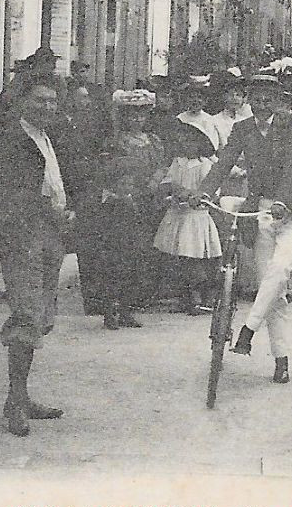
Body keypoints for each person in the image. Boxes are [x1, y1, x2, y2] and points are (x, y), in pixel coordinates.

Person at [201, 71, 292, 384]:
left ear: (279, 102)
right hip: (261, 213)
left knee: (280, 271)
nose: (263, 105)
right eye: (257, 99)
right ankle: (281, 360)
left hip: (290, 213)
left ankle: (248, 329)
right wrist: (204, 190)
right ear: (249, 101)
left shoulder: (290, 124)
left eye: (270, 99)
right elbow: (223, 163)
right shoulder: (242, 129)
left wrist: (285, 201)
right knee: (274, 291)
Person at [0, 74, 74, 437]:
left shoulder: (46, 139)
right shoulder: (11, 140)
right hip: (24, 236)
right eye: (40, 100)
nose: (47, 107)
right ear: (22, 102)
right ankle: (14, 402)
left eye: (52, 102)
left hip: (50, 235)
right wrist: (50, 212)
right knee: (26, 315)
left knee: (40, 317)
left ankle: (21, 396)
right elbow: (14, 193)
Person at [153, 122, 223, 314]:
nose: (185, 144)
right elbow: (167, 182)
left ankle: (200, 298)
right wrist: (177, 190)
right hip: (178, 214)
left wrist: (195, 194)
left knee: (195, 258)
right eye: (182, 140)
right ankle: (184, 297)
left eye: (191, 140)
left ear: (200, 143)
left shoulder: (206, 165)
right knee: (180, 259)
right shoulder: (178, 162)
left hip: (196, 217)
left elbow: (213, 192)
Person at [77, 153, 149, 329]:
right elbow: (97, 226)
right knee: (110, 281)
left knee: (130, 279)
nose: (127, 187)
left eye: (130, 184)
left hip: (128, 246)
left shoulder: (131, 201)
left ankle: (126, 313)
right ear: (114, 184)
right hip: (110, 247)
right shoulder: (107, 201)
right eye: (123, 184)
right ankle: (109, 314)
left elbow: (137, 224)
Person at [112, 89, 169, 307]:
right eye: (132, 115)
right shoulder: (118, 141)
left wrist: (155, 181)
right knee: (129, 248)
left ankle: (146, 295)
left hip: (152, 198)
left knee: (151, 245)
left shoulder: (153, 141)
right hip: (129, 198)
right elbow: (115, 168)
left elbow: (163, 165)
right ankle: (125, 300)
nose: (137, 119)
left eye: (141, 115)